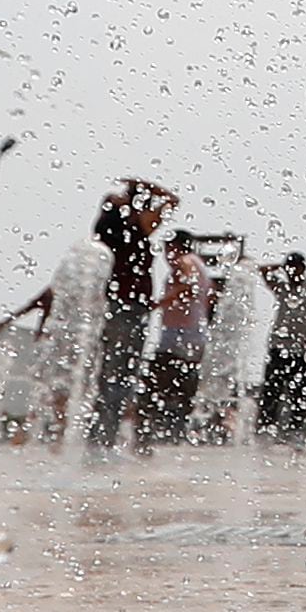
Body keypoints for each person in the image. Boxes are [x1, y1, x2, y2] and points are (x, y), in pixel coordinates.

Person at [83, 178, 176, 458]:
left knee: (110, 374)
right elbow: (172, 201)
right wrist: (148, 186)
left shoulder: (111, 232)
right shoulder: (134, 230)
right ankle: (102, 441)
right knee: (119, 376)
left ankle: (99, 439)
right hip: (129, 309)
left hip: (117, 307)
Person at [140, 234, 213, 445]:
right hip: (193, 333)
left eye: (168, 249)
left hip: (179, 335)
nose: (166, 256)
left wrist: (158, 304)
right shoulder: (200, 265)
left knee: (153, 383)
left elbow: (188, 288)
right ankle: (176, 433)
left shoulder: (185, 262)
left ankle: (146, 436)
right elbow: (207, 298)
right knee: (182, 387)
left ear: (176, 247)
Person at [256, 254, 306, 444]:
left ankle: (297, 433)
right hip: (278, 347)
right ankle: (265, 431)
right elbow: (261, 271)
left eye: (296, 267)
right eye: (289, 268)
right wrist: (280, 265)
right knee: (271, 392)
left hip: (300, 350)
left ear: (303, 268)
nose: (292, 271)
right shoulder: (282, 287)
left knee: (298, 394)